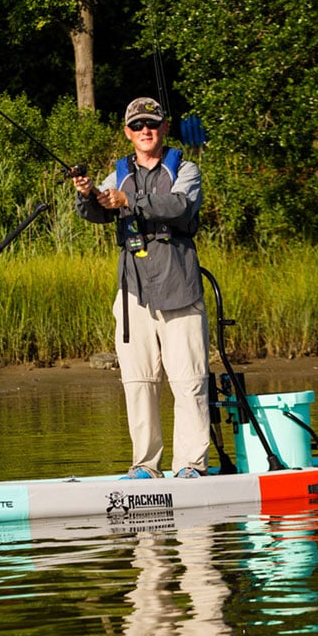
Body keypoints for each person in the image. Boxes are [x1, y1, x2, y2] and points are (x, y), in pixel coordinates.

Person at [72, 96, 210, 479]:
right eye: (137, 126)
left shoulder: (186, 169)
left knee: (189, 381)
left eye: (152, 124)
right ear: (127, 132)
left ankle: (191, 466)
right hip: (133, 292)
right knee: (139, 381)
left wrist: (129, 200)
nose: (145, 131)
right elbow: (98, 211)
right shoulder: (118, 174)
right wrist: (87, 196)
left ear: (164, 128)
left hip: (179, 286)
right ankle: (146, 466)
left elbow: (180, 206)